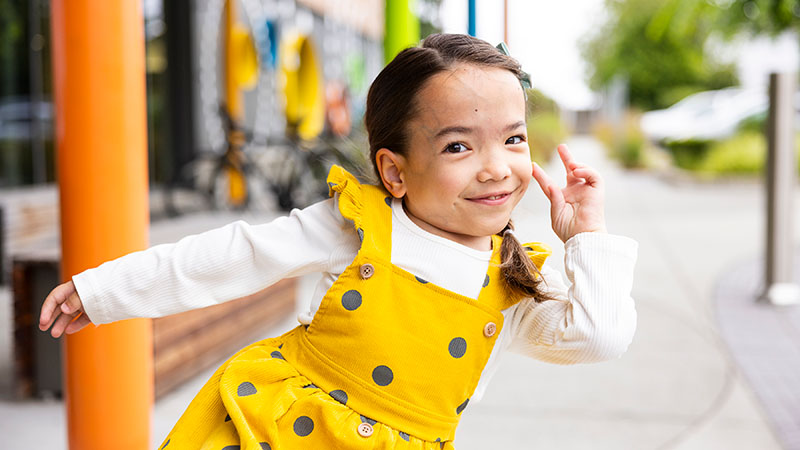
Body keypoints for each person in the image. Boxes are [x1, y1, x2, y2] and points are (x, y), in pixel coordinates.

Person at [39, 33, 637, 449]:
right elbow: (235, 256)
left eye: (512, 139)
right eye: (458, 145)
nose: (496, 167)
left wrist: (588, 238)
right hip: (278, 429)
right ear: (395, 171)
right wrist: (104, 291)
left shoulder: (513, 279)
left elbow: (600, 335)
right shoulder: (360, 224)